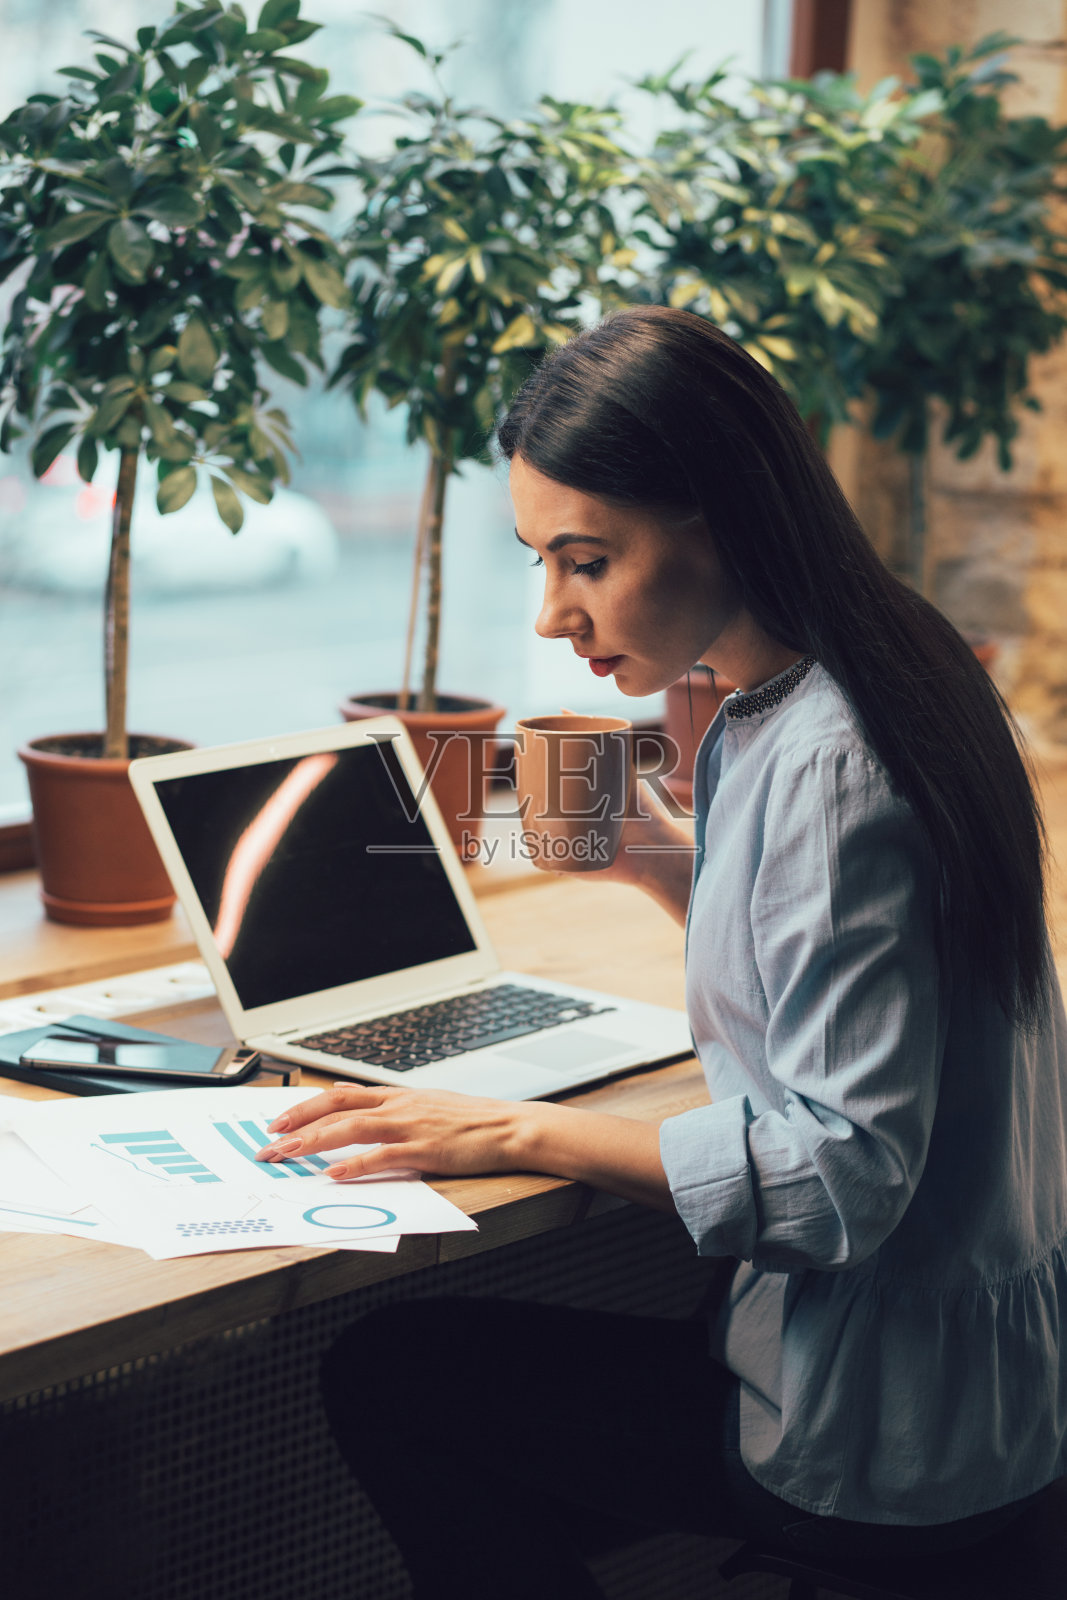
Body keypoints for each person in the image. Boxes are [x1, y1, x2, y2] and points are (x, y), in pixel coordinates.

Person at [255, 307, 1067, 1596]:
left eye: (585, 560)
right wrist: (667, 865)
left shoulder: (831, 759)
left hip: (879, 1427)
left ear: (720, 514)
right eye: (538, 562)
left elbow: (846, 1174)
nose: (550, 617)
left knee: (393, 1377)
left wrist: (514, 1132)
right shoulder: (884, 670)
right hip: (991, 1388)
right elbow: (858, 989)